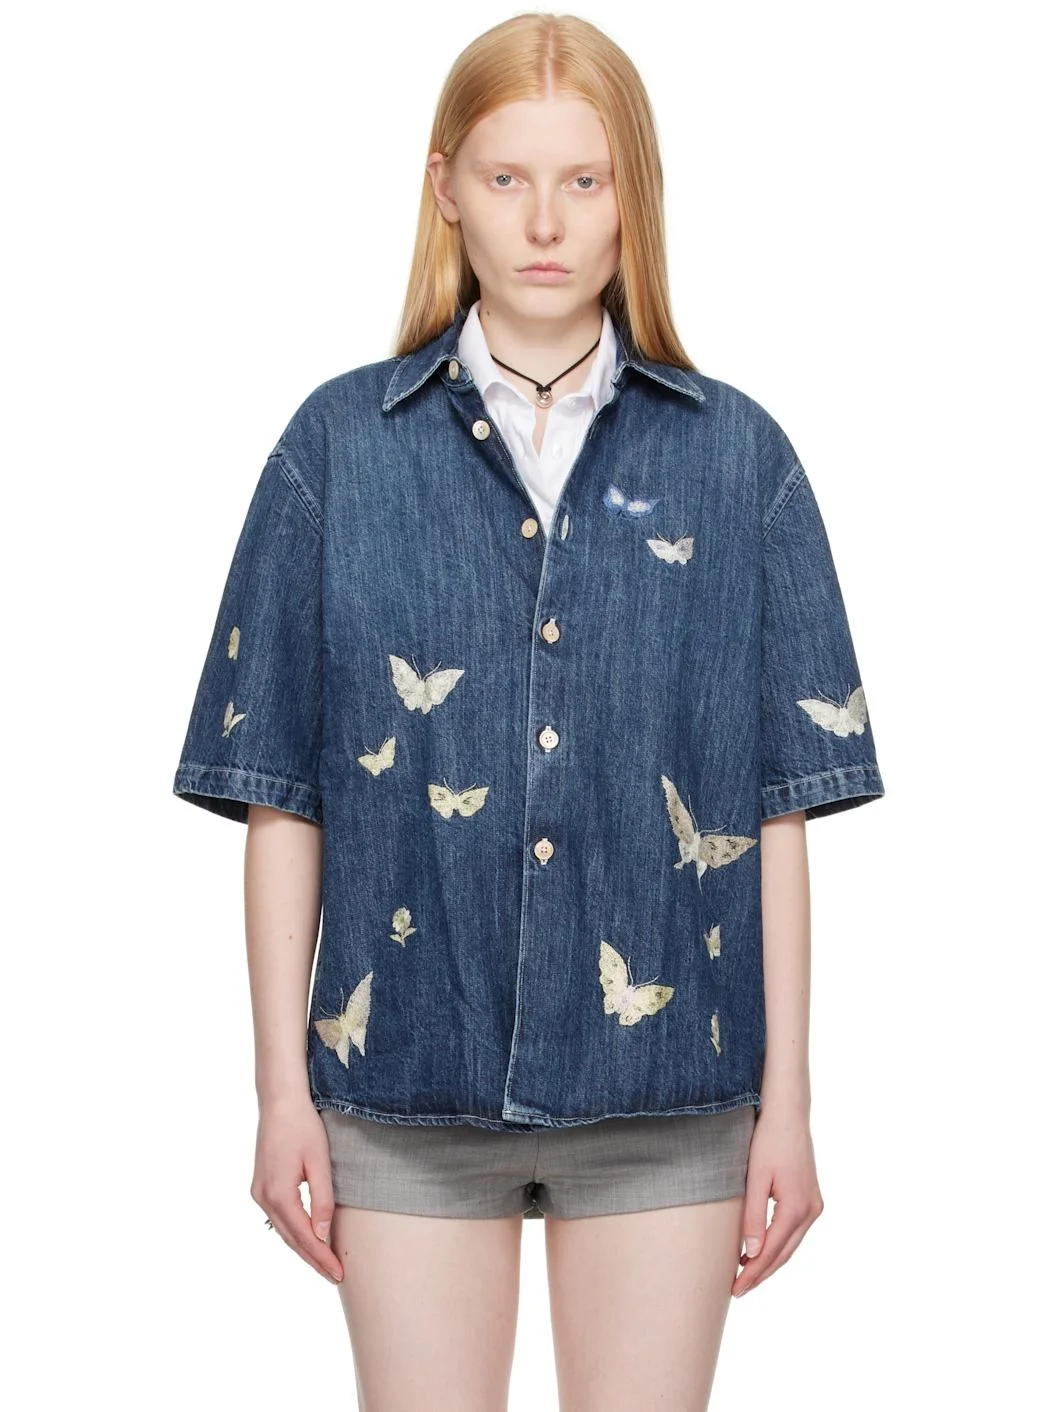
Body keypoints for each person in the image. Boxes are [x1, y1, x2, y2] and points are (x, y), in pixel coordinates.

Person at [173, 11, 885, 1408]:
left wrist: (790, 1106)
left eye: (584, 179)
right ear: (444, 187)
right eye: (507, 178)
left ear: (634, 195)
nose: (545, 222)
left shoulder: (740, 459)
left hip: (672, 1085)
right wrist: (278, 1096)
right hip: (402, 1082)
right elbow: (281, 801)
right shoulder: (336, 450)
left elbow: (774, 812)